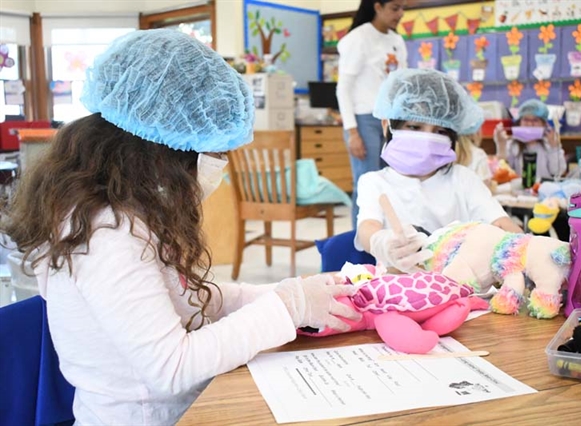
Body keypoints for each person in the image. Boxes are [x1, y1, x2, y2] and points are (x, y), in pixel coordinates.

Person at [0, 29, 361, 426]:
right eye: (214, 152)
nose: (217, 167)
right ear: (163, 149)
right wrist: (288, 307)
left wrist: (276, 294)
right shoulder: (107, 233)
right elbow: (172, 367)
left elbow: (180, 296)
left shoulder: (127, 207)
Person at [354, 68, 523, 272]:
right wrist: (382, 242)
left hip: (457, 287)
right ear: (386, 125)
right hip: (397, 289)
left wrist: (523, 246)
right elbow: (367, 228)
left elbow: (500, 221)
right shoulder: (374, 182)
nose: (426, 139)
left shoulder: (464, 179)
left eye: (440, 131)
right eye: (414, 127)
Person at [336, 0, 408, 229]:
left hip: (392, 120)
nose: (401, 14)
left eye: (402, 8)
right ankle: (363, 243)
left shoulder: (397, 41)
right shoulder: (357, 39)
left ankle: (388, 240)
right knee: (367, 184)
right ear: (377, 7)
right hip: (364, 120)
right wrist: (352, 132)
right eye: (395, 8)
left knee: (392, 184)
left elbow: (401, 81)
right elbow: (343, 88)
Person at [493, 99, 567, 181]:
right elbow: (504, 170)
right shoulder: (512, 145)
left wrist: (554, 147)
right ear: (519, 122)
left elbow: (558, 171)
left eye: (535, 120)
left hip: (544, 189)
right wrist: (501, 145)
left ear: (544, 124)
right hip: (519, 190)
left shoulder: (549, 144)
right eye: (525, 119)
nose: (530, 124)